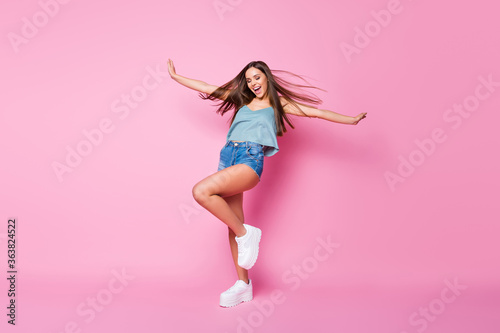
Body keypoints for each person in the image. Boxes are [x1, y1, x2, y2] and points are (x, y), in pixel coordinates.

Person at [167, 59, 367, 307]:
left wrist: (351, 119)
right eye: (249, 80)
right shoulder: (241, 99)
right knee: (233, 224)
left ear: (267, 78)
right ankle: (243, 285)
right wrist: (177, 77)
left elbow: (316, 112)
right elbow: (207, 87)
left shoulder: (277, 104)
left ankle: (247, 234)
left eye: (257, 78)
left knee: (202, 192)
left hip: (249, 159)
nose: (252, 83)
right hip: (228, 156)